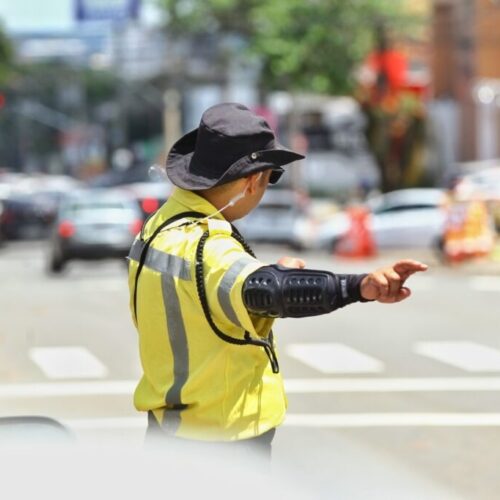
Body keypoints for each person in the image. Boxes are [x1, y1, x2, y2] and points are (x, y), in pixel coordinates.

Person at [127, 103, 427, 456]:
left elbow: (213, 290)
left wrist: (272, 270)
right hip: (220, 444)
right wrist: (359, 286)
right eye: (272, 177)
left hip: (169, 428)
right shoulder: (206, 245)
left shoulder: (161, 224)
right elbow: (267, 291)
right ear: (253, 179)